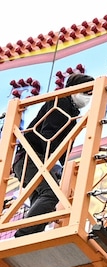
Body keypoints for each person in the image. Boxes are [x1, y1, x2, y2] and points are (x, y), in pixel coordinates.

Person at [12, 73, 94, 237]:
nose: (88, 98)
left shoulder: (72, 115)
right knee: (51, 194)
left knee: (42, 200)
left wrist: (61, 165)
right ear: (74, 89)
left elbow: (64, 146)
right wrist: (54, 162)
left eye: (91, 94)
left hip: (30, 159)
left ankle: (31, 236)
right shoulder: (61, 102)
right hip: (32, 157)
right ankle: (23, 235)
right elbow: (49, 133)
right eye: (86, 92)